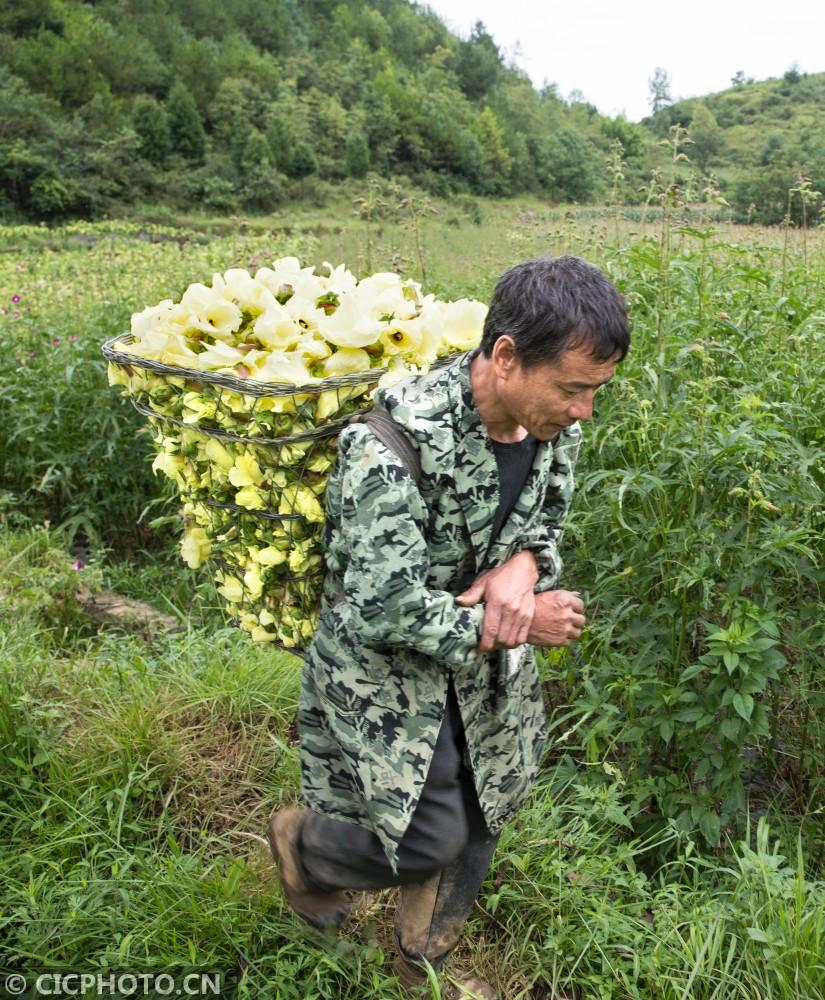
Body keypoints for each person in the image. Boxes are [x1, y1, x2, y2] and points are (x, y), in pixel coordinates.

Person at [267, 255, 630, 999]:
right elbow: (386, 605)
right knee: (426, 834)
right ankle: (304, 850)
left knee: (484, 807)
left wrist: (526, 565)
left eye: (594, 391)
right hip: (386, 668)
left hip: (481, 666)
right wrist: (521, 624)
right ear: (503, 357)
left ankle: (420, 962)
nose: (584, 410)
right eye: (573, 388)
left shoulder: (551, 425)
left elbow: (545, 523)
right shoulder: (388, 445)